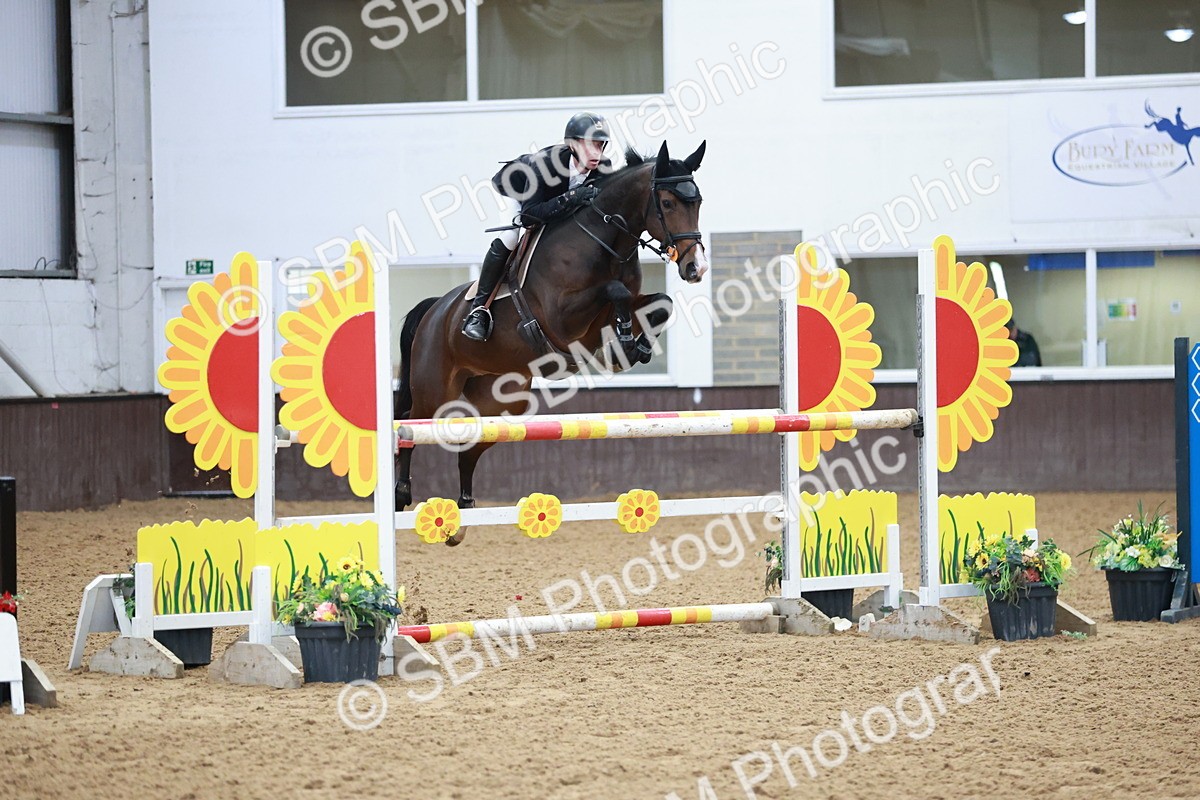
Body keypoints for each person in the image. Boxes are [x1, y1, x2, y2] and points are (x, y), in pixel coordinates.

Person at [461, 111, 613, 342]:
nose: (596, 153)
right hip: (517, 193)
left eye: (600, 145)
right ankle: (478, 310)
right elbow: (529, 216)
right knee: (510, 238)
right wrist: (571, 198)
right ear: (572, 145)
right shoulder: (545, 163)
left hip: (550, 201)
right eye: (590, 145)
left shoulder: (603, 167)